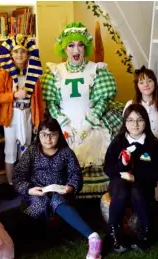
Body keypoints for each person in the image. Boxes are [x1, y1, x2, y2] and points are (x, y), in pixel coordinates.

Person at [13, 117, 102, 259]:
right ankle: (33, 237)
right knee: (38, 205)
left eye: (52, 134)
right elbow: (18, 176)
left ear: (58, 135)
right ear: (39, 135)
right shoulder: (32, 151)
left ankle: (93, 237)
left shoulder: (66, 153)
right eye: (44, 134)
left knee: (57, 199)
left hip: (60, 192)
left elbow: (76, 175)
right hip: (37, 192)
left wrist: (70, 188)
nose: (48, 139)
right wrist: (29, 190)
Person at [42, 22, 121, 168]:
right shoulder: (55, 71)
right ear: (64, 49)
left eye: (80, 45)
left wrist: (88, 124)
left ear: (86, 47)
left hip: (91, 125)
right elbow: (51, 103)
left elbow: (102, 101)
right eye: (71, 45)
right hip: (63, 127)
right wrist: (63, 125)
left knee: (92, 159)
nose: (76, 50)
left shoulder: (96, 70)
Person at [104, 104, 158, 252]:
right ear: (125, 122)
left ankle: (145, 233)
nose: (135, 124)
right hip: (119, 184)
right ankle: (114, 233)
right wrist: (121, 165)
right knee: (121, 187)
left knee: (136, 189)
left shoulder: (152, 144)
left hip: (143, 186)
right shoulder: (118, 141)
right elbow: (107, 169)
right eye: (130, 120)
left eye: (139, 120)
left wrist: (135, 176)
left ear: (146, 122)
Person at [0, 34, 44, 190]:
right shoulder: (4, 73)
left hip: (28, 114)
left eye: (22, 51)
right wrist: (14, 95)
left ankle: (24, 183)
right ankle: (10, 183)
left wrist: (38, 121)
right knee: (10, 149)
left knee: (27, 148)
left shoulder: (33, 73)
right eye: (16, 52)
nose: (19, 55)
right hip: (12, 115)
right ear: (10, 54)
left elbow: (38, 102)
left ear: (27, 53)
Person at [123, 66, 158, 202]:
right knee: (139, 193)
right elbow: (125, 133)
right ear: (137, 86)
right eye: (141, 82)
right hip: (136, 156)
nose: (146, 85)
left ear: (155, 83)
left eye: (149, 81)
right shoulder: (130, 105)